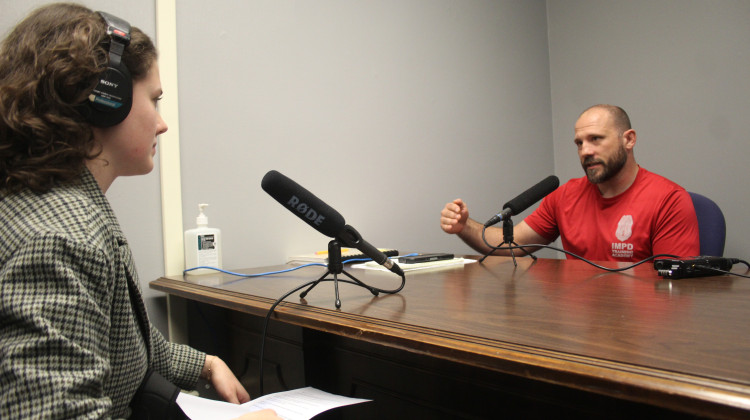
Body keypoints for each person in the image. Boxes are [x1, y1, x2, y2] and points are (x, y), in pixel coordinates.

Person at [0, 3, 279, 419]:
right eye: (155, 99)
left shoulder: (61, 207)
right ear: (106, 99)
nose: (162, 124)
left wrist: (205, 364)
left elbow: (121, 339)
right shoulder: (57, 240)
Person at [440, 104, 700, 262]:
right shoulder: (565, 196)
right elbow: (512, 244)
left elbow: (674, 291)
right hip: (580, 327)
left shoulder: (669, 200)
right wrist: (464, 226)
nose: (585, 151)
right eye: (579, 143)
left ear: (628, 140)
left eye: (596, 139)